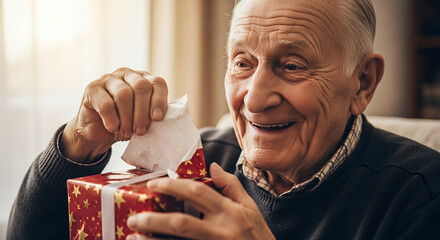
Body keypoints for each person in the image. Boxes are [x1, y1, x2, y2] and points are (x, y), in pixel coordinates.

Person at [7, 0, 440, 239]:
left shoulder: (421, 196)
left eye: (292, 65)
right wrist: (78, 144)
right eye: (242, 62)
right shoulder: (193, 158)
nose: (254, 99)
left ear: (362, 82)